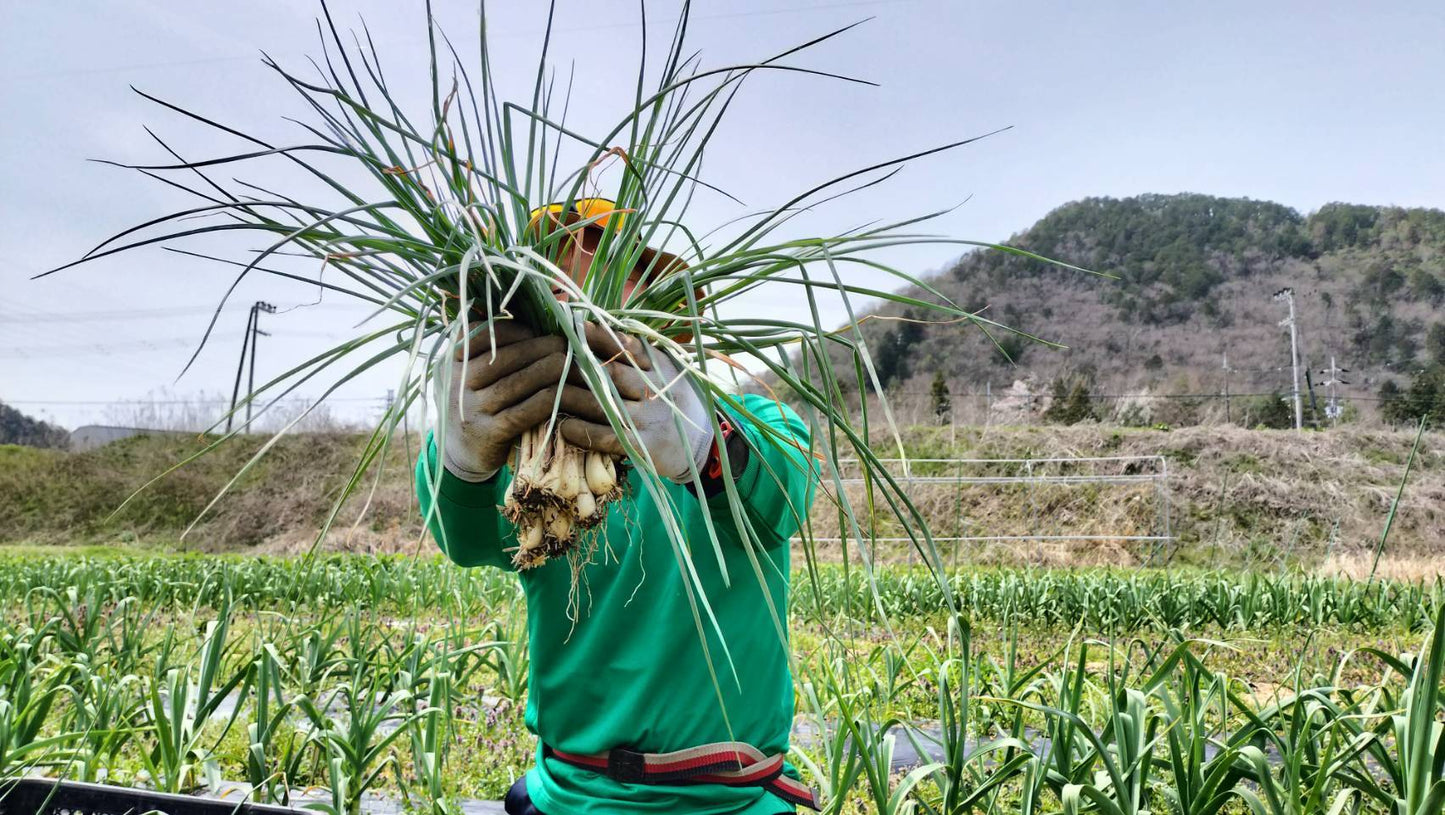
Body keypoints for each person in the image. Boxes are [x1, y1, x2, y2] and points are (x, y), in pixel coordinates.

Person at [415, 200, 817, 815]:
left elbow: (784, 495)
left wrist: (702, 440)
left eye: (608, 271)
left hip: (727, 803)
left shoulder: (755, 422)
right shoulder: (520, 456)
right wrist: (461, 457)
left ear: (652, 302)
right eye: (555, 276)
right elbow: (466, 539)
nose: (574, 294)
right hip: (569, 796)